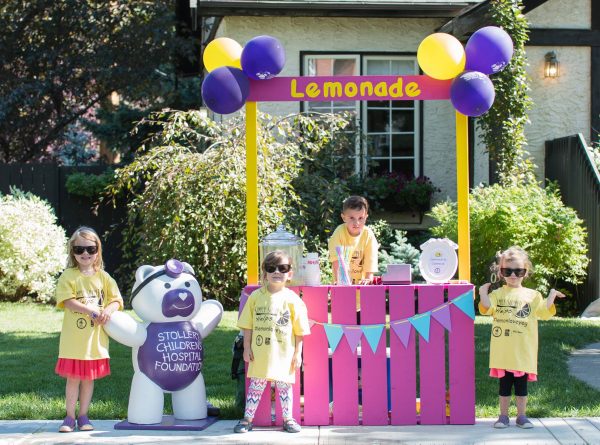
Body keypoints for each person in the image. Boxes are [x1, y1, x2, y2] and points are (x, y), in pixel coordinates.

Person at [478, 246, 565, 430]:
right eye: (507, 271)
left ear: (525, 272)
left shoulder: (532, 295)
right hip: (503, 351)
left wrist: (550, 296)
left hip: (523, 351)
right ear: (501, 273)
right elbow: (486, 309)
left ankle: (521, 416)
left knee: (521, 387)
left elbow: (543, 312)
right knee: (504, 386)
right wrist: (483, 293)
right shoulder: (498, 294)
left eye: (518, 271)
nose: (513, 275)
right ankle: (502, 416)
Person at [54, 227, 123, 433]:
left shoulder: (104, 277)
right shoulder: (69, 276)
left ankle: (83, 416)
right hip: (74, 342)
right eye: (79, 249)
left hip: (94, 341)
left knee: (88, 379)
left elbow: (117, 300)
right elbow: (67, 301)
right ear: (72, 251)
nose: (85, 254)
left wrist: (108, 310)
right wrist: (91, 311)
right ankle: (69, 417)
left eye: (90, 249)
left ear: (97, 251)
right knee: (73, 379)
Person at [234, 250, 311, 434]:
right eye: (271, 268)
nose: (277, 272)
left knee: (285, 387)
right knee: (256, 387)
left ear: (289, 274)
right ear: (265, 273)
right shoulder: (255, 297)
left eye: (282, 268)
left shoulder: (293, 300)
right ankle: (247, 419)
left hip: (284, 353)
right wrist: (246, 348)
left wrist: (297, 353)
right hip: (260, 353)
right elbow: (247, 325)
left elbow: (299, 330)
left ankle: (288, 419)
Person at [328, 195, 379, 286]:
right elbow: (336, 260)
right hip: (342, 285)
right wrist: (339, 281)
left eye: (360, 218)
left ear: (366, 217)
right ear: (343, 217)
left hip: (363, 287)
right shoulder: (339, 233)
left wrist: (368, 279)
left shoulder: (368, 235)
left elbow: (371, 260)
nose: (356, 223)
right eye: (352, 218)